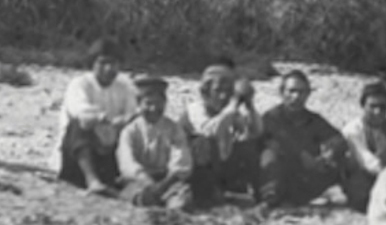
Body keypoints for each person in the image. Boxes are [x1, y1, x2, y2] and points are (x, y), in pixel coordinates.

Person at [256, 70, 351, 214]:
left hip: (303, 179)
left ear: (308, 95)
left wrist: (330, 152)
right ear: (282, 93)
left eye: (301, 92)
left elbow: (339, 139)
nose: (296, 97)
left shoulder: (313, 119)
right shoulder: (272, 117)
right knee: (270, 154)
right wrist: (301, 155)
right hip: (276, 178)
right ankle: (271, 200)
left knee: (343, 161)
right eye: (292, 91)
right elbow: (280, 141)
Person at [53, 37, 140, 194]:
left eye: (113, 63)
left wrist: (124, 121)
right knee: (80, 124)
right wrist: (104, 119)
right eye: (102, 63)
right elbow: (80, 112)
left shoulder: (124, 87)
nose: (108, 68)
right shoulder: (80, 84)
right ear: (92, 64)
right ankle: (92, 180)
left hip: (108, 153)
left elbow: (133, 114)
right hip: (77, 157)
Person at [181, 63, 263, 208]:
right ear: (206, 92)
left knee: (253, 146)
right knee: (204, 143)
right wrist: (232, 107)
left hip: (222, 167)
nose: (223, 96)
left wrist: (249, 105)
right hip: (195, 171)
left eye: (228, 91)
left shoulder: (230, 111)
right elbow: (209, 131)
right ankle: (206, 196)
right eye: (217, 91)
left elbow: (256, 132)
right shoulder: (195, 110)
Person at [114, 75, 194, 209]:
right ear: (139, 104)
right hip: (139, 180)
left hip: (167, 179)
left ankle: (169, 204)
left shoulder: (174, 129)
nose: (153, 109)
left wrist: (165, 184)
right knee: (138, 195)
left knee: (181, 199)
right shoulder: (130, 131)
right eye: (148, 103)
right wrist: (147, 182)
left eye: (158, 104)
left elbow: (181, 160)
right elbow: (127, 162)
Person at [340, 82, 386, 214]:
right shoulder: (352, 130)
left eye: (383, 107)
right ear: (363, 106)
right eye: (372, 106)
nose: (377, 112)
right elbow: (365, 160)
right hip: (364, 178)